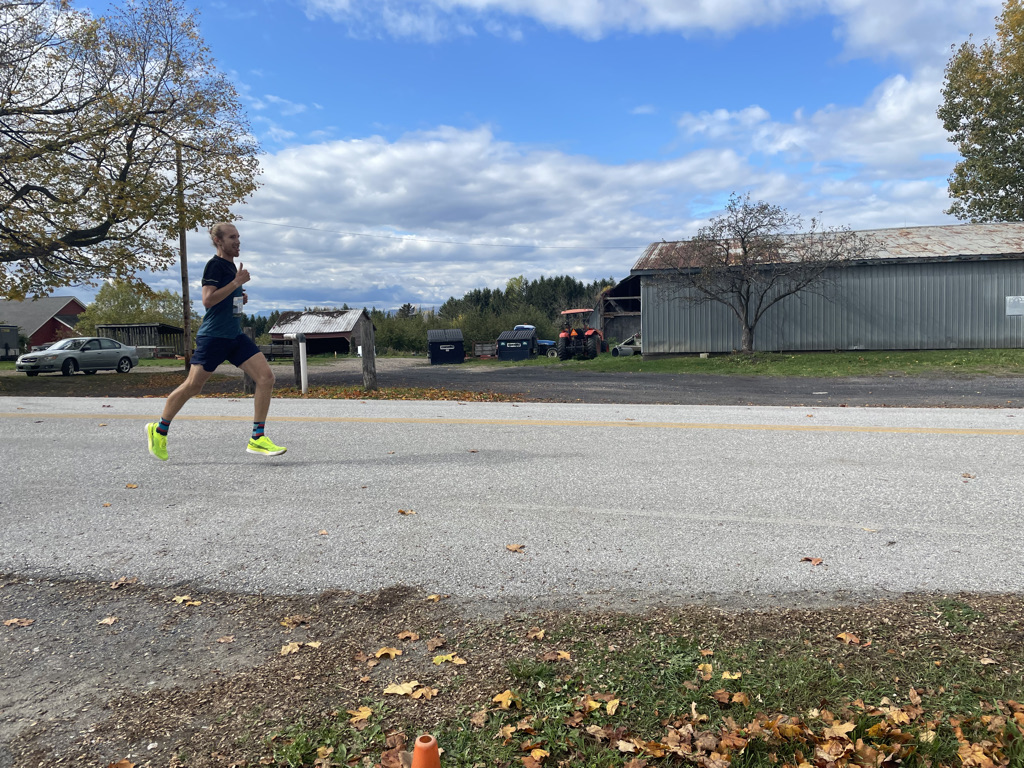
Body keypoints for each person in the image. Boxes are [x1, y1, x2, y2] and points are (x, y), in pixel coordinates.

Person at [146, 222, 286, 460]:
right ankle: (158, 430)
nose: (238, 241)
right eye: (232, 237)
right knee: (193, 386)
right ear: (218, 241)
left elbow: (223, 299)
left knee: (266, 378)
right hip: (213, 337)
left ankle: (257, 438)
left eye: (238, 236)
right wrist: (236, 283)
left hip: (234, 335)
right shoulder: (215, 265)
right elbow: (208, 300)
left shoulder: (231, 267)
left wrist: (238, 297)